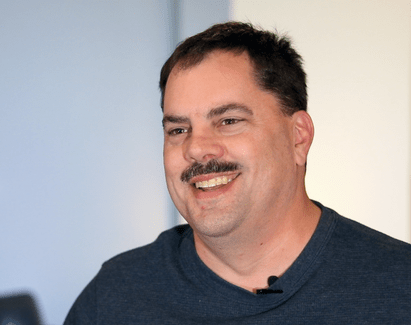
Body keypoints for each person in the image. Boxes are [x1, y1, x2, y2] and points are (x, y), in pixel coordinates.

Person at [64, 22, 411, 324]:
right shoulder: (114, 297)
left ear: (298, 137)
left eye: (228, 121)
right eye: (178, 130)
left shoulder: (399, 288)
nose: (196, 148)